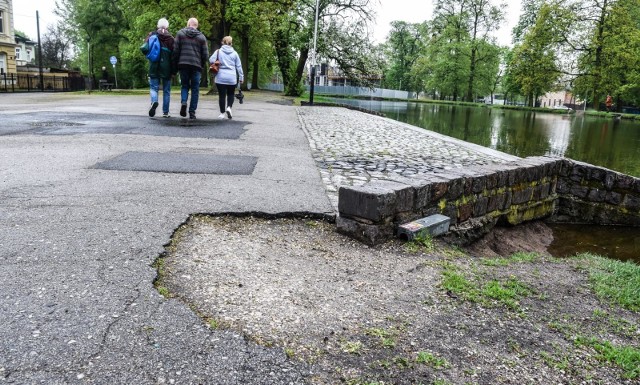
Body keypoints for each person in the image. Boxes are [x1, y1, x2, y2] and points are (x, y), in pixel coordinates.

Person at [172, 18, 209, 119]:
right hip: (196, 66)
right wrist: (201, 65)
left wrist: (175, 66)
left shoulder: (180, 34)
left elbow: (175, 51)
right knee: (195, 89)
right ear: (196, 25)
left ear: (188, 24)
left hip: (183, 64)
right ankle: (192, 112)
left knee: (184, 86)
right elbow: (205, 55)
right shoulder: (202, 37)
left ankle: (184, 102)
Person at [143, 18, 175, 118]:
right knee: (166, 91)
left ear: (157, 26)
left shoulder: (152, 35)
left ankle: (154, 102)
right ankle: (165, 112)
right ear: (167, 27)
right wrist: (174, 70)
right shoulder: (171, 38)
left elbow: (145, 48)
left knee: (153, 88)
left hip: (154, 65)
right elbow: (174, 56)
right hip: (167, 67)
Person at [210, 36, 244, 119]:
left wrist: (217, 61)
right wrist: (241, 77)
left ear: (222, 42)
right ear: (231, 43)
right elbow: (239, 66)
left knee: (222, 95)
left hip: (220, 77)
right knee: (231, 94)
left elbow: (211, 60)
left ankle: (222, 113)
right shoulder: (235, 53)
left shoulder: (218, 51)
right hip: (231, 77)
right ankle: (229, 107)